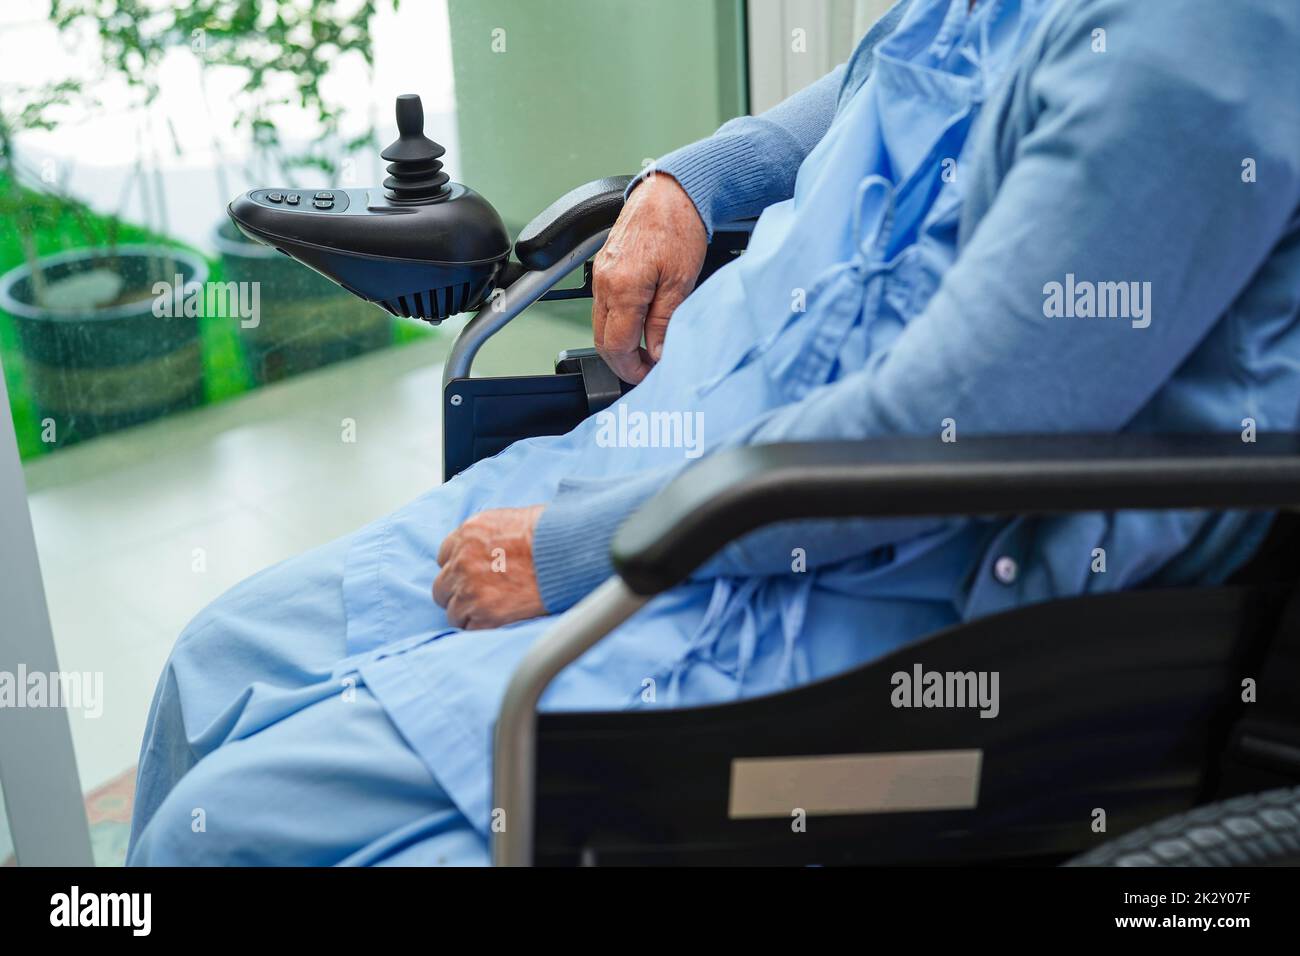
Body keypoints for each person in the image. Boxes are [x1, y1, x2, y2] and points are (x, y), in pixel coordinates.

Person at [128, 0, 1300, 865]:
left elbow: (949, 429)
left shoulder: (1199, 50)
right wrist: (685, 184)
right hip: (687, 446)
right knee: (216, 657)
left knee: (220, 835)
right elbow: (892, 80)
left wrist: (572, 550)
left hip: (834, 570)